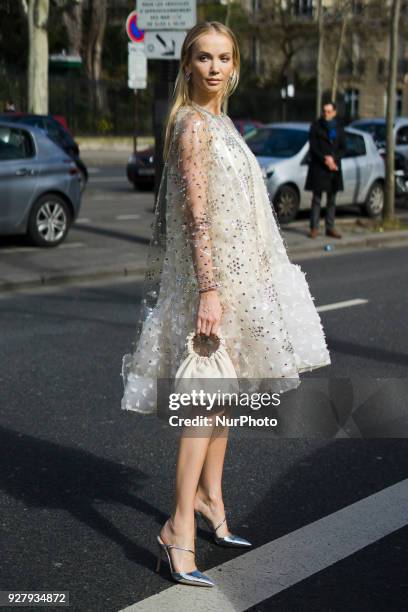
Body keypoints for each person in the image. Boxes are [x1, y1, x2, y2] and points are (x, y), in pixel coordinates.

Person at [121, 21, 331, 588]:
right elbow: (197, 215)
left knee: (227, 400)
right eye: (204, 58)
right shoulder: (192, 126)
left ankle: (212, 500)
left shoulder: (223, 122)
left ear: (234, 66)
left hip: (241, 282)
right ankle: (177, 528)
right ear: (187, 64)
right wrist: (210, 290)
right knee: (205, 406)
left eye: (223, 58)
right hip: (212, 285)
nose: (214, 67)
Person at [305, 100, 347, 239]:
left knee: (332, 200)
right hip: (319, 167)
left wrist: (333, 159)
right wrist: (325, 159)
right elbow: (313, 147)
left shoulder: (339, 128)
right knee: (316, 199)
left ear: (334, 112)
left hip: (333, 168)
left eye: (329, 111)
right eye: (324, 111)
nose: (326, 114)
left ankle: (330, 227)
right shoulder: (316, 126)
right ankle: (314, 228)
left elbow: (343, 147)